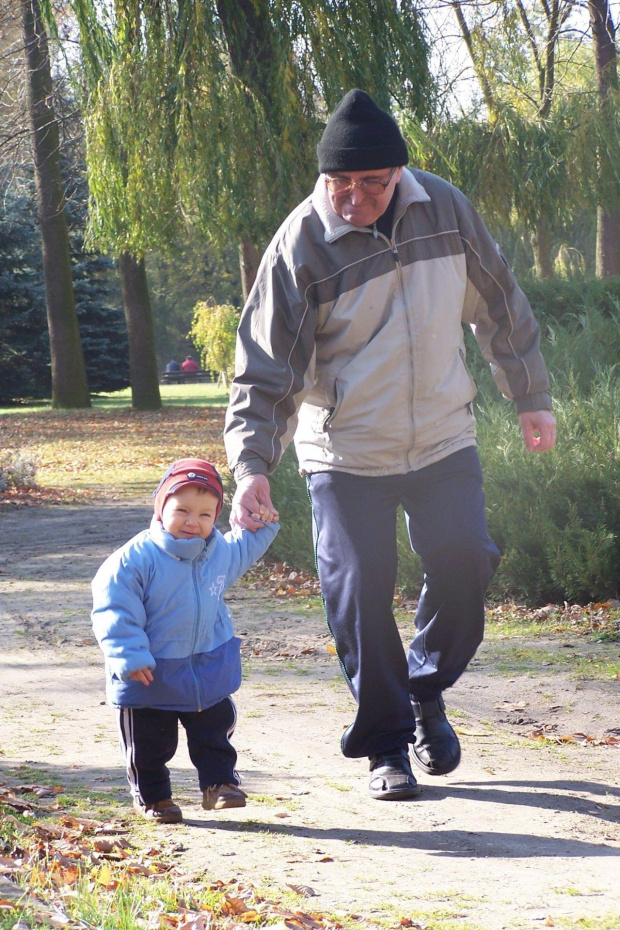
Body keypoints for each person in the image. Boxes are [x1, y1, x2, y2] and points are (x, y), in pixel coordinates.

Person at [224, 89, 556, 801]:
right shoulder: (300, 245)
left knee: (467, 562)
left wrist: (531, 396)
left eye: (371, 183)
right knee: (359, 589)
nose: (354, 199)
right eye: (339, 184)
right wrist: (252, 465)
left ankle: (422, 689)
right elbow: (263, 368)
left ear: (400, 174)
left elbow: (499, 299)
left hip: (441, 434)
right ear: (324, 180)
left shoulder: (444, 207)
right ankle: (385, 744)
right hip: (345, 451)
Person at [91, 458, 279, 823]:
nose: (194, 522)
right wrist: (129, 655)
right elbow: (115, 608)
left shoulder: (218, 552)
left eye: (206, 515)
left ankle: (219, 784)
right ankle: (154, 797)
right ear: (161, 508)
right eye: (183, 511)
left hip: (205, 667)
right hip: (149, 671)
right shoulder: (135, 559)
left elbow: (246, 546)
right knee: (149, 744)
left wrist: (263, 522)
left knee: (215, 730)